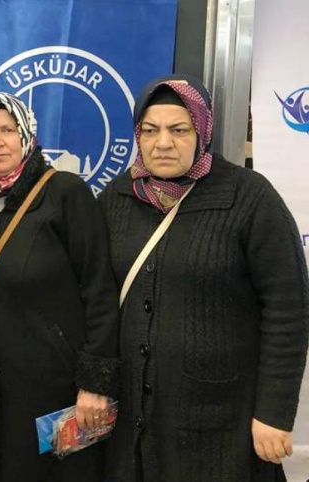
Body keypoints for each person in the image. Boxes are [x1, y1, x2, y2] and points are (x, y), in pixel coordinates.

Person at [99, 74, 309, 481]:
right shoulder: (116, 198)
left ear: (203, 131)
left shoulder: (248, 197)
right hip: (135, 426)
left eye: (179, 130)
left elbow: (288, 311)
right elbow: (96, 298)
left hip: (221, 425)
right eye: (150, 130)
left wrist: (274, 413)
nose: (163, 143)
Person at [0, 92, 120, 481]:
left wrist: (95, 383)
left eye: (8, 130)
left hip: (57, 391)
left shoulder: (64, 193)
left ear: (27, 135)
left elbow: (99, 290)